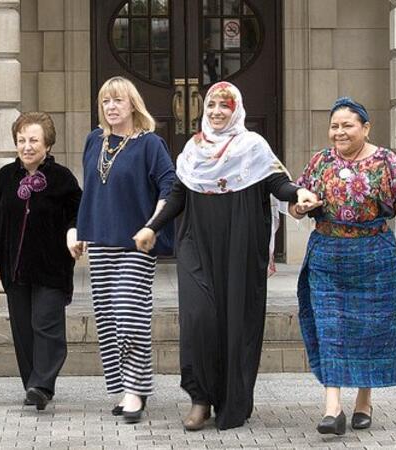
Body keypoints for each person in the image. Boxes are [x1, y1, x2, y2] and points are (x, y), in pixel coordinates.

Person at [133, 81, 321, 430]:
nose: (217, 112)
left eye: (225, 106)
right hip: (196, 244)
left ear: (237, 110)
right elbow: (177, 194)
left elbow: (276, 183)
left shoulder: (253, 147)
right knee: (198, 319)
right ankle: (200, 399)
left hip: (240, 245)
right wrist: (152, 227)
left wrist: (299, 193)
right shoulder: (192, 150)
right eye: (212, 106)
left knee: (238, 323)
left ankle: (234, 401)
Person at [291, 97, 396, 435]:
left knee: (371, 329)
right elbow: (296, 203)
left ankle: (364, 399)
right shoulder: (321, 161)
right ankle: (333, 409)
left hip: (373, 254)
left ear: (365, 127)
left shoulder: (386, 162)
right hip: (327, 255)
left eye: (347, 125)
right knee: (329, 327)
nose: (339, 132)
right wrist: (302, 207)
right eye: (335, 126)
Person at [74, 76, 176, 424]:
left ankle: (136, 391)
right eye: (105, 102)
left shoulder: (151, 144)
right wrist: (79, 229)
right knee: (108, 321)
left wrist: (153, 225)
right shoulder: (94, 141)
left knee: (130, 319)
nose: (111, 107)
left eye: (118, 100)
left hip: (135, 243)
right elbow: (90, 189)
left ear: (133, 104)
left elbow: (169, 185)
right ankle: (126, 388)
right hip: (100, 240)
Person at [0, 112, 82, 411]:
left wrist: (73, 233)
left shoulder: (62, 178)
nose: (27, 146)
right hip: (16, 267)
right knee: (24, 330)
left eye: (33, 140)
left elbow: (78, 212)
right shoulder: (4, 177)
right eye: (21, 140)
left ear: (47, 144)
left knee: (46, 324)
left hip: (51, 266)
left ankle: (42, 384)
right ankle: (33, 384)